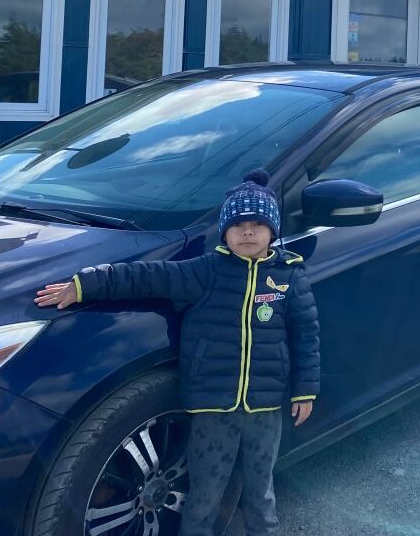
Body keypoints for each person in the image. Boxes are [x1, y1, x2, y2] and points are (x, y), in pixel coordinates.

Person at [35, 169, 320, 536]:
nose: (247, 232)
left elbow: (306, 336)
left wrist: (304, 390)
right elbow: (144, 277)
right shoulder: (203, 272)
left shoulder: (289, 277)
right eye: (237, 225)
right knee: (204, 494)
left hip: (265, 408)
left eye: (256, 224)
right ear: (225, 232)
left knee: (260, 492)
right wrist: (84, 285)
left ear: (272, 230)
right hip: (212, 407)